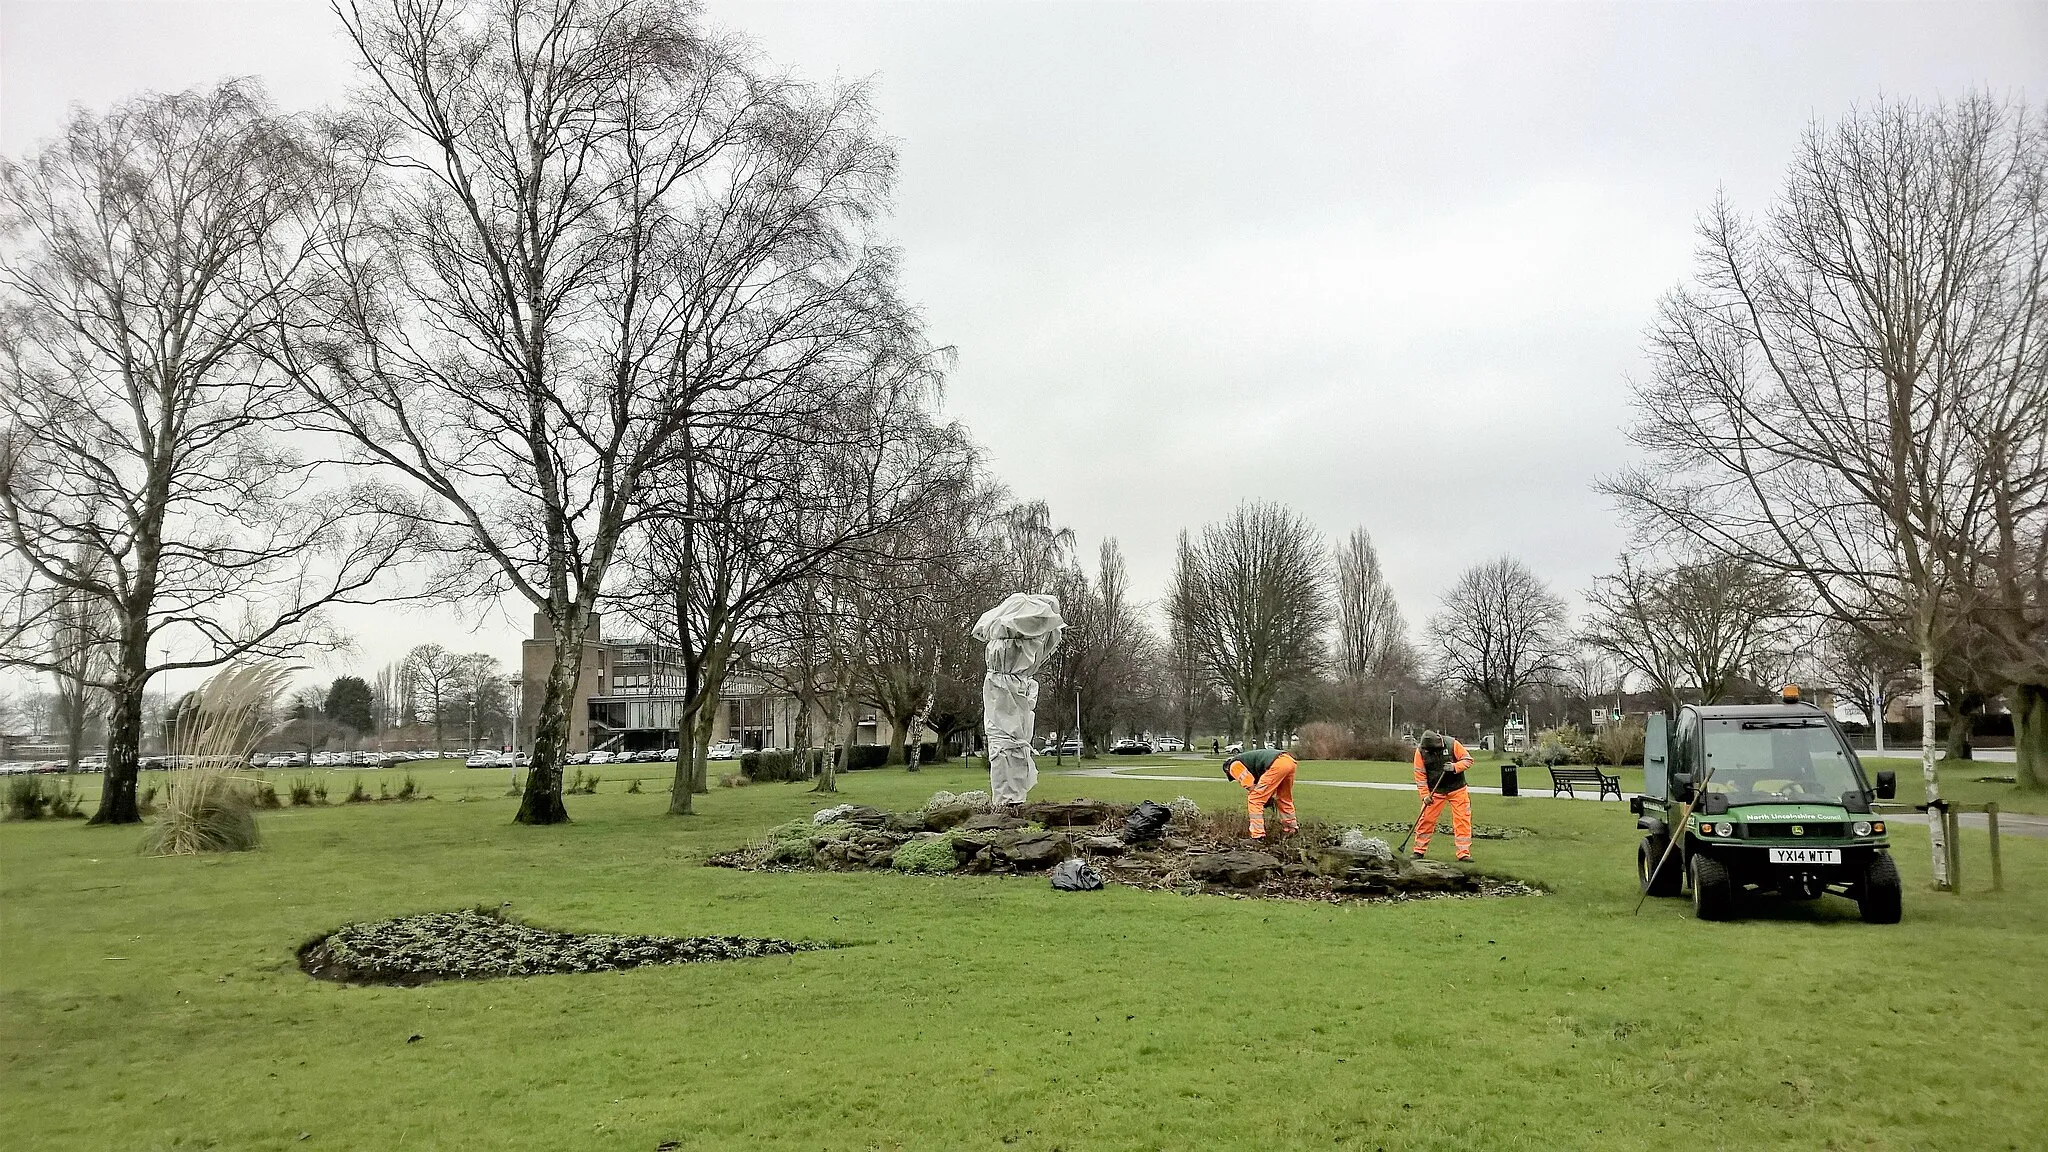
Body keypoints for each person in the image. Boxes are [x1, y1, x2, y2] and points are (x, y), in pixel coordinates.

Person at [1410, 730, 1473, 861]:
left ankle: (1464, 853)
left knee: (1462, 820)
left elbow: (1468, 760)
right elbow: (1420, 775)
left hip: (1457, 789)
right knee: (1426, 819)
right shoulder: (1420, 752)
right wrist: (1425, 795)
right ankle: (1418, 851)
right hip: (1435, 791)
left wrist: (1455, 767)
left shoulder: (1452, 744)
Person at [1222, 747, 1298, 838]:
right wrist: (1267, 796)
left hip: (1276, 764)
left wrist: (1265, 798)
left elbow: (1250, 785)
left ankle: (1257, 834)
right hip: (1289, 761)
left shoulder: (1233, 766)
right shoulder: (1247, 760)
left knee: (1255, 799)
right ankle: (1291, 828)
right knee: (1284, 798)